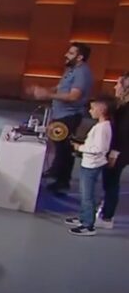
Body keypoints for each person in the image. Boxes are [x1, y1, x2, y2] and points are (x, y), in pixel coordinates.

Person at [30, 42, 94, 194]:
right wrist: (45, 91)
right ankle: (56, 172)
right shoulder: (72, 70)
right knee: (59, 147)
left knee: (64, 149)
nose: (66, 55)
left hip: (69, 117)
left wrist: (48, 95)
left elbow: (73, 96)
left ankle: (62, 181)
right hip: (60, 114)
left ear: (80, 57)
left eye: (71, 53)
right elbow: (60, 87)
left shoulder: (82, 73)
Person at [64, 97, 114, 236]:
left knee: (87, 195)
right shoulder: (101, 126)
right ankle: (83, 217)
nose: (90, 111)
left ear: (102, 110)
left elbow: (99, 148)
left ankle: (88, 225)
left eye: (92, 108)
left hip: (92, 165)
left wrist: (79, 147)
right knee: (84, 193)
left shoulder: (102, 128)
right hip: (89, 163)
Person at [98, 74, 129, 229]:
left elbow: (123, 133)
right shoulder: (121, 106)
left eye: (118, 84)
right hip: (117, 150)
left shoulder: (126, 110)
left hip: (119, 152)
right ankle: (105, 210)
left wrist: (114, 153)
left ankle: (107, 217)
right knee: (109, 182)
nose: (115, 87)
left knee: (111, 182)